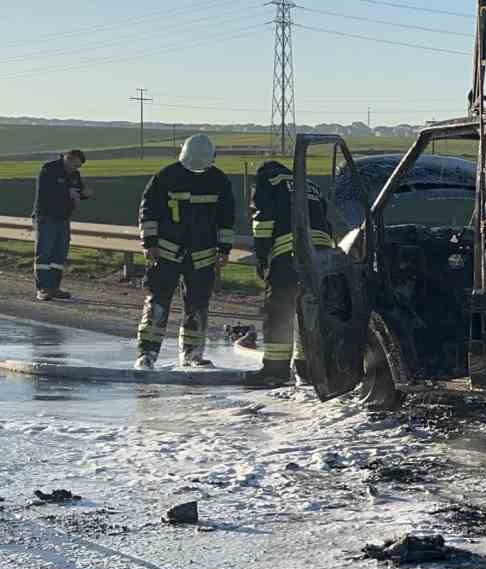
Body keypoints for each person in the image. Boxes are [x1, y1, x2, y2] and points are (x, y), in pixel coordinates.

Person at [134, 134, 234, 370]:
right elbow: (148, 211)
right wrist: (149, 243)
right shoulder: (167, 177)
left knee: (197, 306)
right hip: (167, 253)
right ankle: (146, 354)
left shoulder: (217, 180)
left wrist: (224, 249)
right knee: (158, 304)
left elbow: (226, 217)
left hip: (201, 254)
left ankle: (191, 355)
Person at [244, 159, 335, 387]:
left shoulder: (268, 181)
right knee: (308, 311)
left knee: (280, 310)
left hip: (289, 253)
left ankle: (275, 371)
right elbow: (326, 220)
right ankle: (306, 369)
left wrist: (263, 258)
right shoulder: (308, 183)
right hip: (321, 256)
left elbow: (262, 223)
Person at [31, 149, 91, 300]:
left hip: (63, 218)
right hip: (46, 217)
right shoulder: (49, 169)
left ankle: (54, 287)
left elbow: (77, 190)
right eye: (74, 165)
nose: (75, 169)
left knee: (59, 254)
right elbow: (46, 191)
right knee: (45, 253)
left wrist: (84, 194)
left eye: (78, 167)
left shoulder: (75, 174)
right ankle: (43, 289)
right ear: (68, 159)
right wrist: (67, 193)